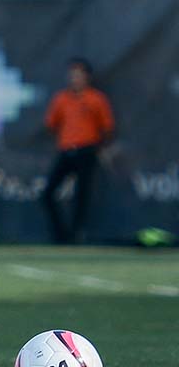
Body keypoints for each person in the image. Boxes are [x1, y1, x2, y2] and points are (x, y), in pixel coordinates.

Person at [41, 58, 114, 244]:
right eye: (72, 75)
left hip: (86, 151)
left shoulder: (96, 99)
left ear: (87, 77)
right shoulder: (61, 99)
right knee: (48, 193)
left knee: (82, 195)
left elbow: (107, 127)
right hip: (66, 150)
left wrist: (99, 148)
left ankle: (76, 235)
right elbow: (50, 124)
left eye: (79, 75)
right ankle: (61, 234)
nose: (74, 79)